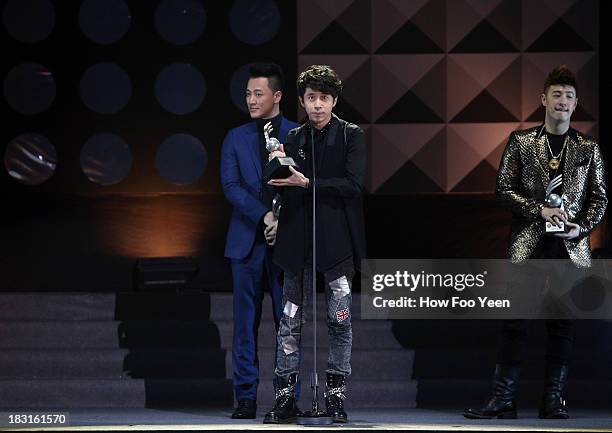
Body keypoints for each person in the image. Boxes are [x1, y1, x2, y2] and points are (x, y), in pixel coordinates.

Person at [464, 65, 607, 420]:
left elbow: (600, 198)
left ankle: (553, 400)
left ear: (577, 105)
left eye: (569, 96)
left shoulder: (588, 148)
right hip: (528, 242)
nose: (562, 101)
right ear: (544, 99)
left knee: (562, 324)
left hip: (569, 247)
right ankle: (503, 399)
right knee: (515, 320)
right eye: (556, 94)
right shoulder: (521, 141)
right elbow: (503, 191)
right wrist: (538, 210)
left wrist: (582, 228)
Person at [262, 65, 367, 424]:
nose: (317, 105)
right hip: (296, 244)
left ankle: (335, 397)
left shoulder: (351, 135)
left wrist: (308, 183)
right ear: (303, 102)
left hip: (336, 245)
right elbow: (275, 184)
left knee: (340, 320)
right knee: (289, 322)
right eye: (311, 98)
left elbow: (353, 186)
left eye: (324, 98)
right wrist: (275, 162)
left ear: (334, 101)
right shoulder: (292, 138)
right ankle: (285, 399)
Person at [220, 63, 299, 419]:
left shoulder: (298, 134)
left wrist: (281, 221)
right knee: (244, 324)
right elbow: (231, 187)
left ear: (277, 96)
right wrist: (265, 216)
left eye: (258, 93)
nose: (250, 99)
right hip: (245, 241)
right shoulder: (235, 137)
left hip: (287, 243)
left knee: (289, 324)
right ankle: (246, 397)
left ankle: (286, 397)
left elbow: (303, 184)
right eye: (247, 93)